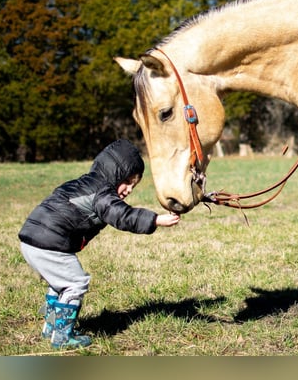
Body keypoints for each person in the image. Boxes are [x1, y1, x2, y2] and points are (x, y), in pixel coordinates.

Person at [18, 139, 180, 349]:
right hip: (49, 243)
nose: (130, 189)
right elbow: (122, 216)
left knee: (60, 282)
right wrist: (155, 220)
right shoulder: (102, 194)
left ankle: (51, 326)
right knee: (75, 282)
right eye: (128, 181)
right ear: (116, 173)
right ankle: (62, 337)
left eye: (134, 185)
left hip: (31, 239)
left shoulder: (84, 183)